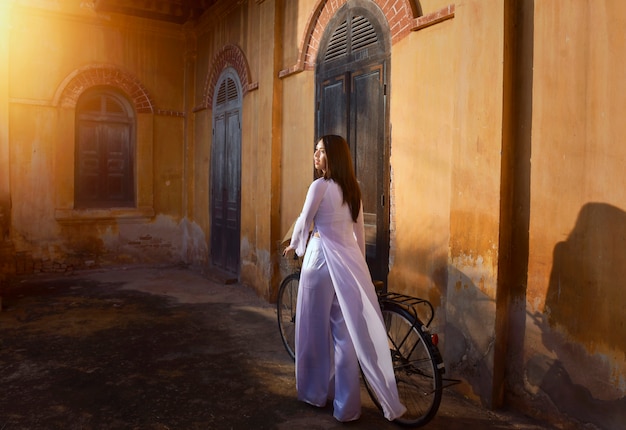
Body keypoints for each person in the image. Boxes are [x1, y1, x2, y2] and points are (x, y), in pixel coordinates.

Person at [283, 134, 406, 422]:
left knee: (313, 330)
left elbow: (304, 219)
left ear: (334, 157)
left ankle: (316, 393)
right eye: (315, 150)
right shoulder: (354, 190)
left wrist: (296, 246)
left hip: (320, 262)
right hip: (348, 264)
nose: (315, 155)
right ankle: (347, 407)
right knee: (345, 335)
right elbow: (359, 235)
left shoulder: (320, 187)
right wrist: (358, 265)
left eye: (322, 151)